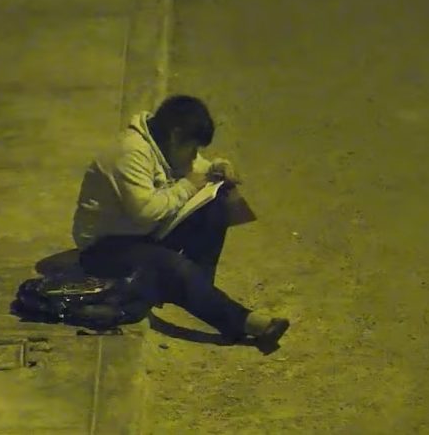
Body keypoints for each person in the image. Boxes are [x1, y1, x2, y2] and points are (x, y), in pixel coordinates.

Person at [72, 95, 289, 353]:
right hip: (104, 248)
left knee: (216, 205)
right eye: (193, 148)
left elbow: (195, 166)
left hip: (140, 234)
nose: (195, 155)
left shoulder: (161, 142)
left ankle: (198, 290)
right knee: (170, 265)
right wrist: (187, 186)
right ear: (176, 136)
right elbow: (145, 211)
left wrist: (217, 168)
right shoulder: (130, 153)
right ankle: (245, 322)